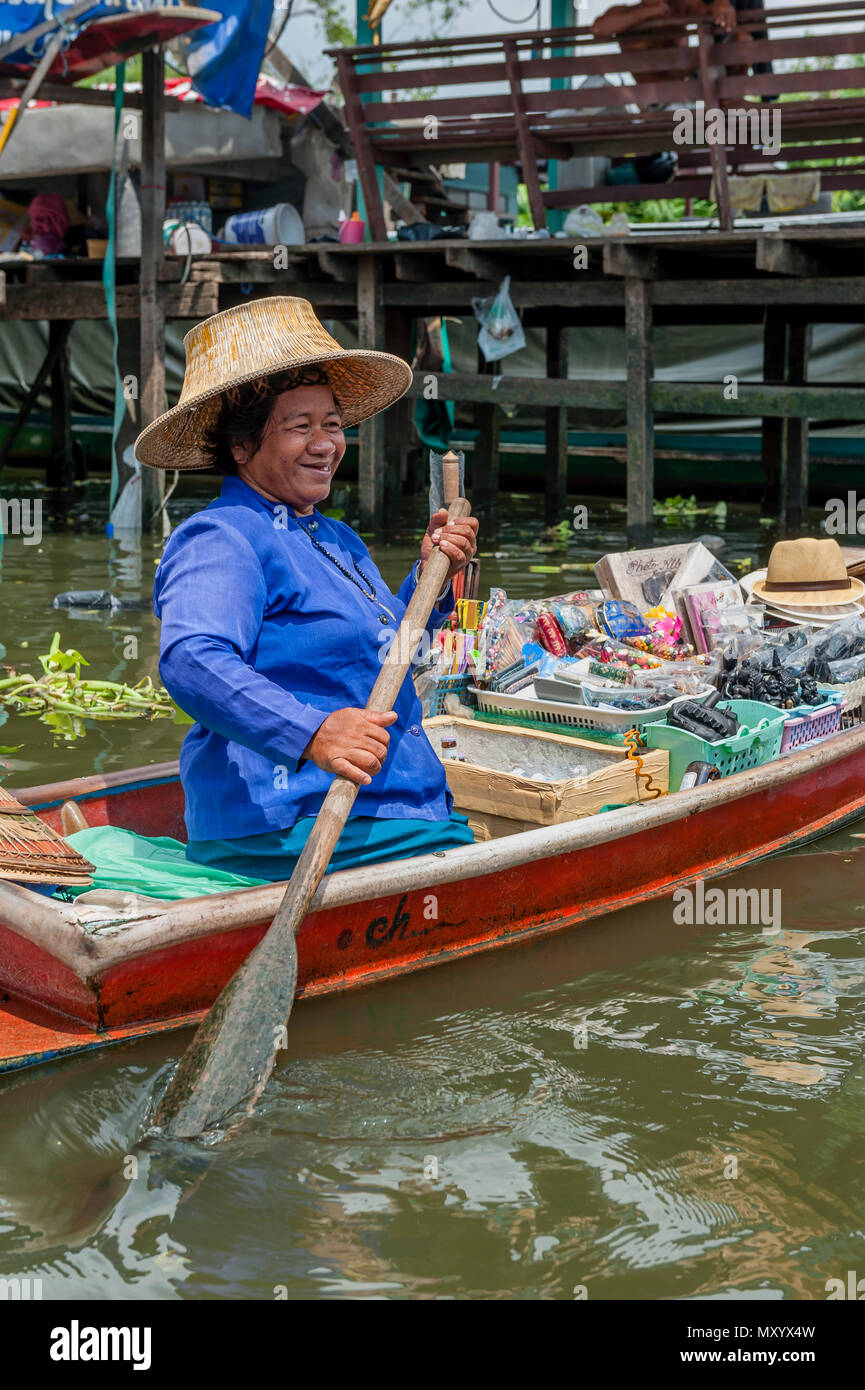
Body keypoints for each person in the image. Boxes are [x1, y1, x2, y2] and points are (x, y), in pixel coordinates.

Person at [135, 295, 478, 881]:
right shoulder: (222, 537)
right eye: (300, 427)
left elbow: (384, 653)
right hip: (290, 817)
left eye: (333, 425)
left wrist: (431, 579)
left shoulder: (336, 537)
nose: (325, 444)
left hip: (385, 803)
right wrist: (312, 733)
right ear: (241, 447)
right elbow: (192, 660)